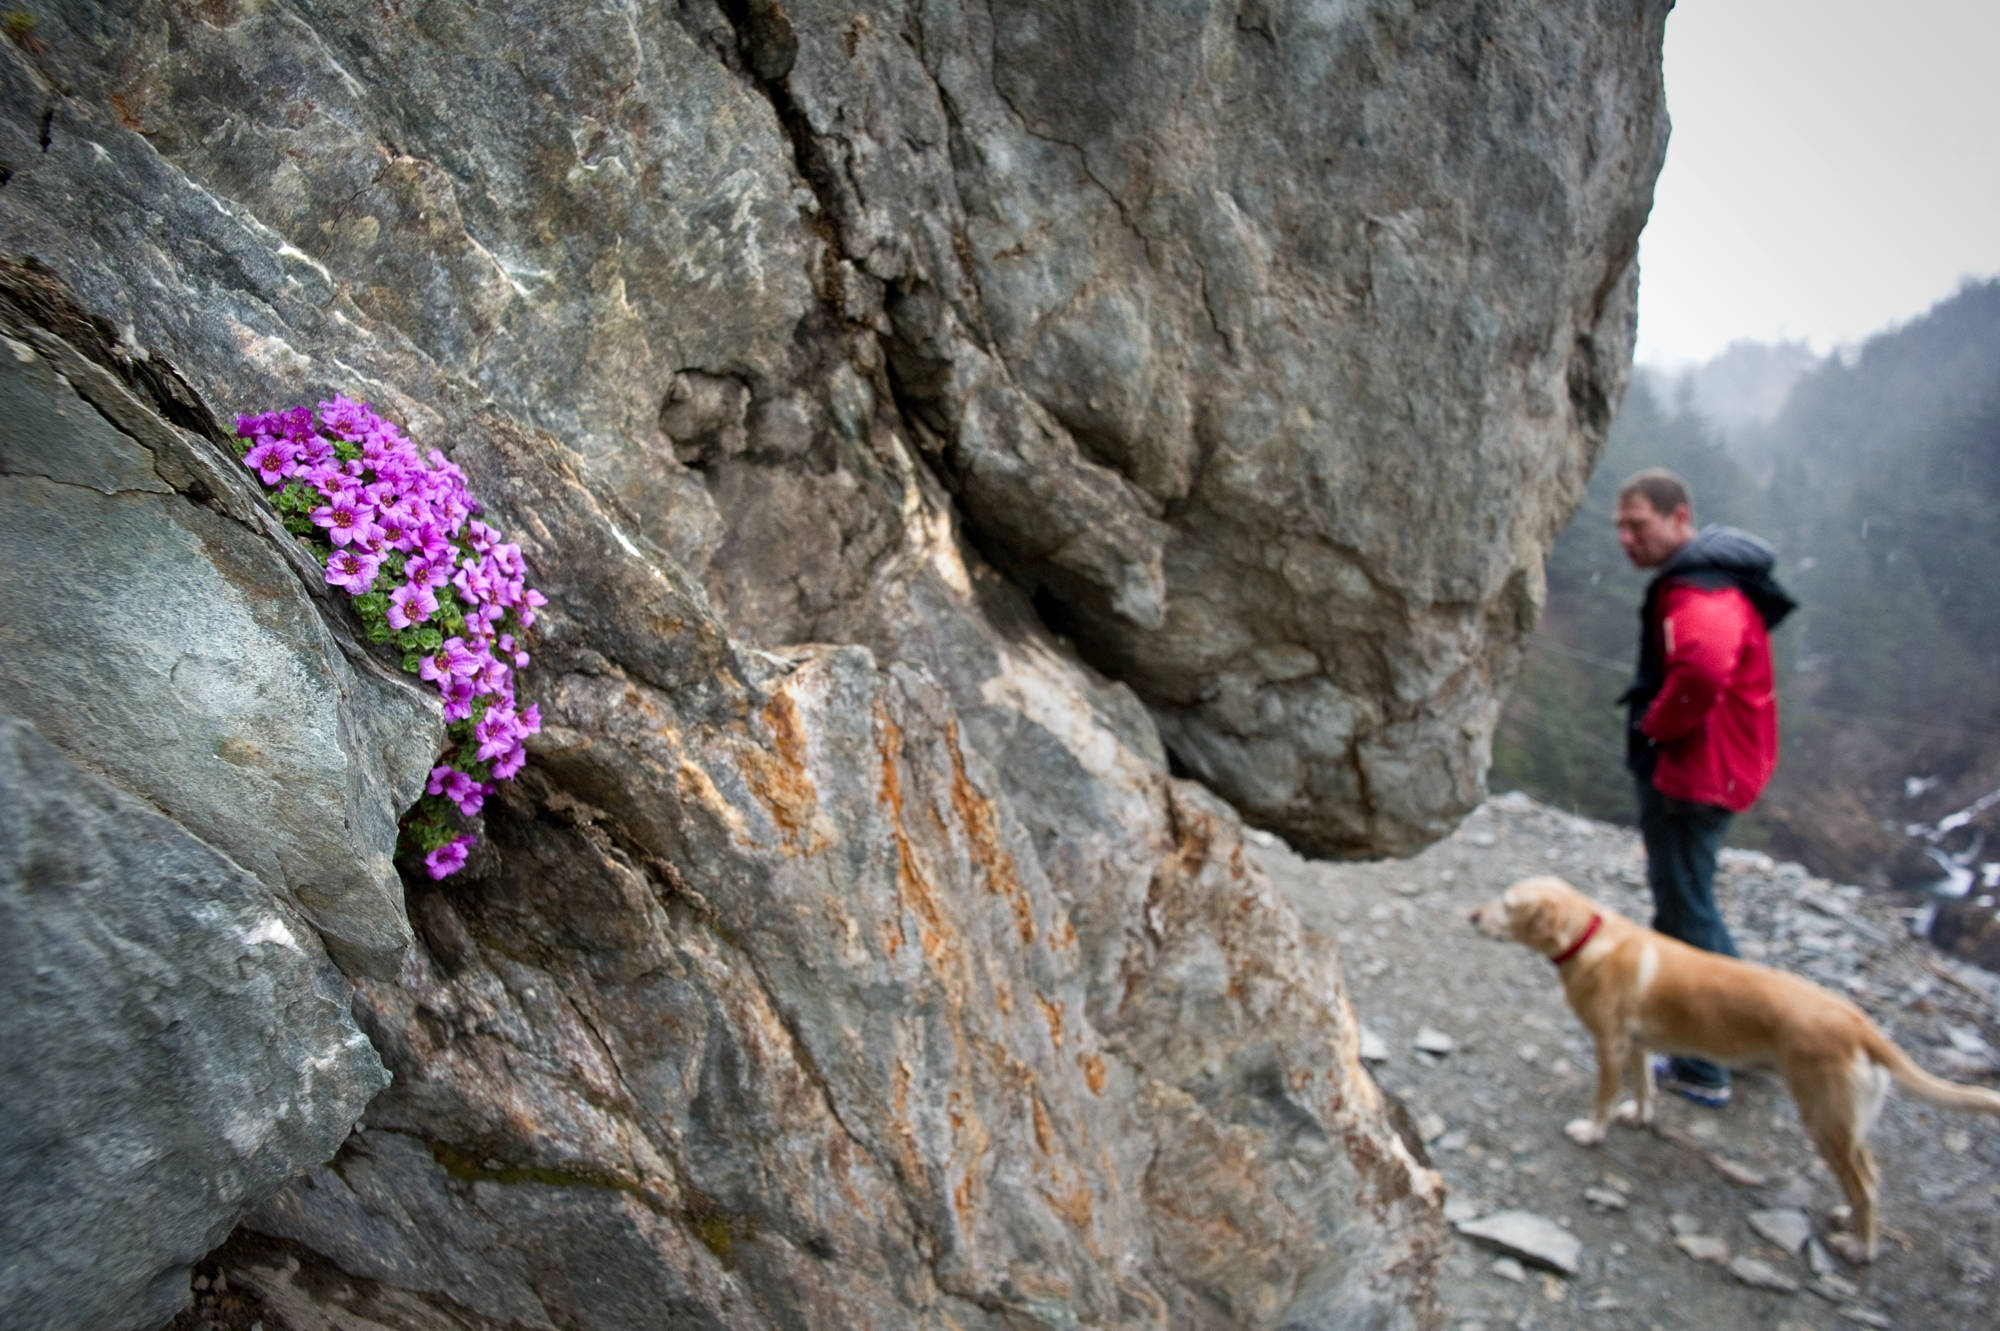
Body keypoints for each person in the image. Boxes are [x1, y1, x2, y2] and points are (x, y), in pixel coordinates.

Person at [1614, 468, 1796, 1108]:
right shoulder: (1710, 582)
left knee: (1684, 912)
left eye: (1638, 525)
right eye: (1620, 527)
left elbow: (1701, 668)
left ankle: (1700, 1065)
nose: (1626, 539)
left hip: (1695, 775)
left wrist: (1657, 727)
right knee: (1696, 902)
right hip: (1718, 768)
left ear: (1680, 520)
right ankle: (1757, 1035)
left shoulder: (1699, 593)